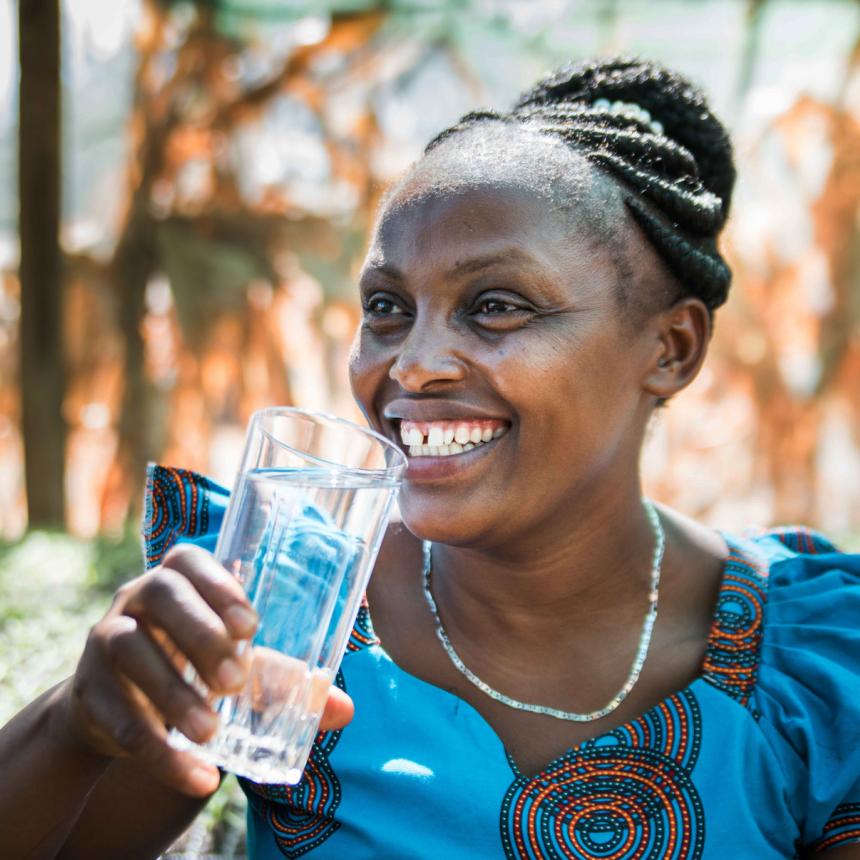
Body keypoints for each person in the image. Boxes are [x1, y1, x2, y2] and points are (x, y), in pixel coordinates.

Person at [2, 56, 859, 860]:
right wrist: (75, 725)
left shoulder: (808, 665)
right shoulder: (291, 611)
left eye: (495, 305)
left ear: (670, 348)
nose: (410, 364)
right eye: (386, 306)